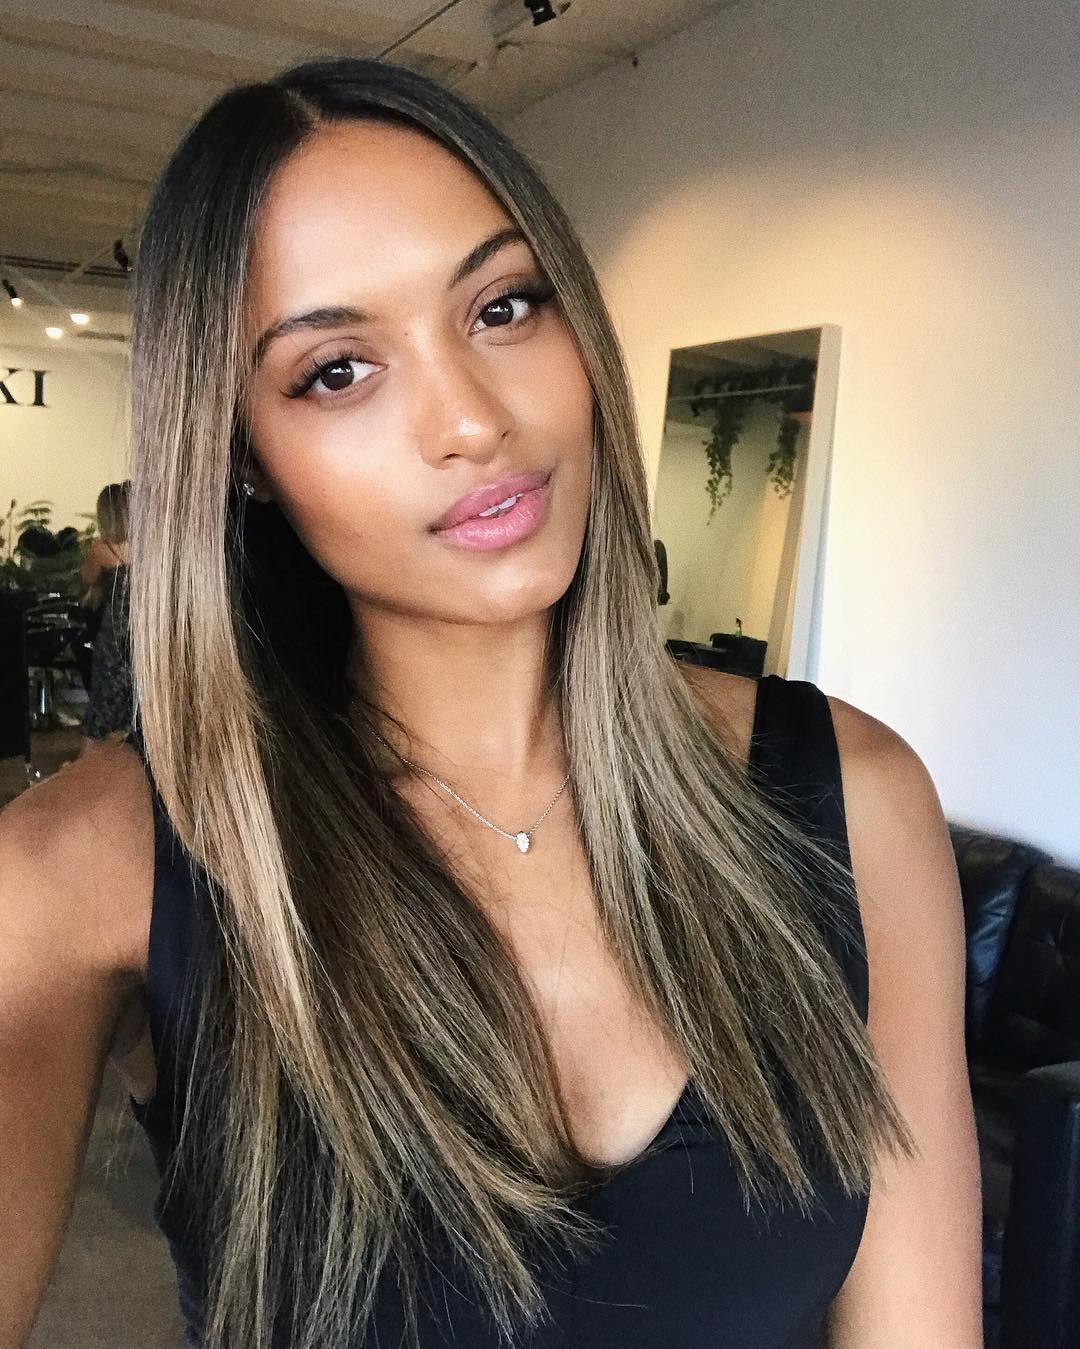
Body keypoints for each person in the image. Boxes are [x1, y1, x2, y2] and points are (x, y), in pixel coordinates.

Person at [0, 58, 982, 1349]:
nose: (470, 418)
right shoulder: (88, 867)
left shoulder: (852, 797)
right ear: (242, 454)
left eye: (503, 305)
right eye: (337, 370)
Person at [75, 480, 133, 748]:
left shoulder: (101, 550)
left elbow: (86, 580)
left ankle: (86, 764)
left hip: (114, 634)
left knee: (102, 701)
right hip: (144, 634)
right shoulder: (148, 548)